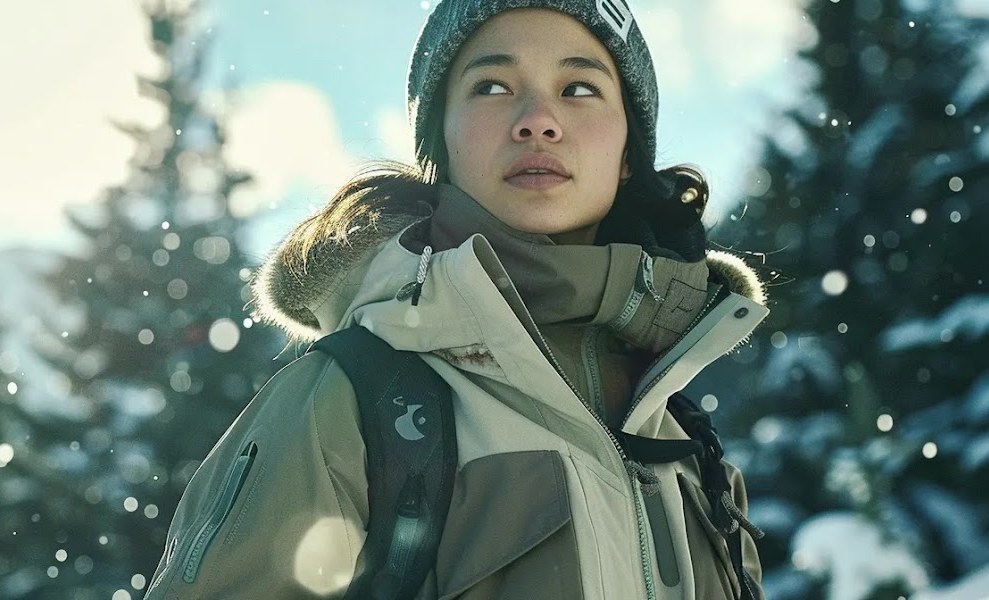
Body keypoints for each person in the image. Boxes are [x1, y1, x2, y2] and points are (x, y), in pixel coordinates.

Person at [145, 1, 769, 598]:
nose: (538, 119)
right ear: (439, 146)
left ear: (630, 151)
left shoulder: (688, 442)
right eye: (492, 86)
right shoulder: (347, 402)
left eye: (579, 88)